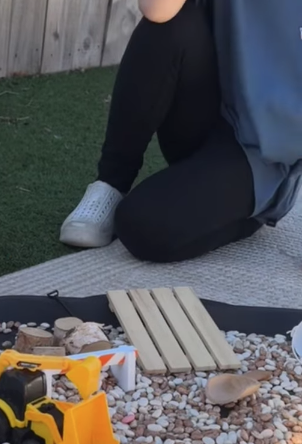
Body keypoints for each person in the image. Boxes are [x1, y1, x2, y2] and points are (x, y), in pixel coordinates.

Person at [60, 0, 302, 263]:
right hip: (204, 114)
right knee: (170, 24)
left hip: (263, 156)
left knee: (143, 225)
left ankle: (247, 213)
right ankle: (110, 184)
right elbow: (157, 10)